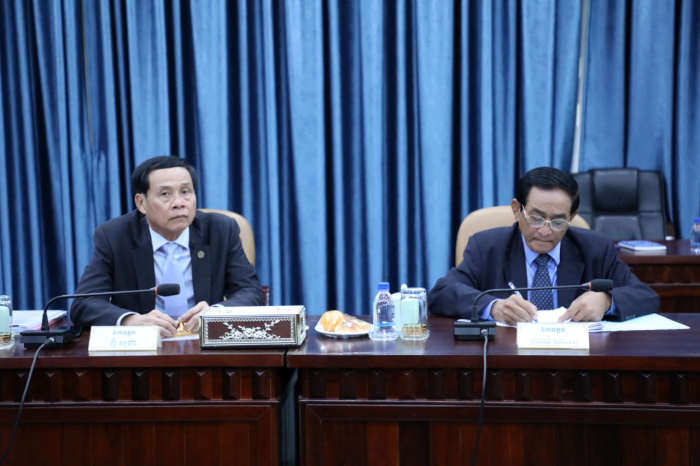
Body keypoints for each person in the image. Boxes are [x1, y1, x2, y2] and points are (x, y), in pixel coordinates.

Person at [428, 167, 659, 325]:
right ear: (517, 210)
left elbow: (647, 296)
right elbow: (441, 293)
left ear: (572, 216)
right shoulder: (487, 247)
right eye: (536, 219)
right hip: (508, 361)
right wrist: (494, 307)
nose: (546, 231)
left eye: (558, 221)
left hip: (577, 362)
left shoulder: (595, 249)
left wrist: (606, 301)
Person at [71, 156, 265, 336]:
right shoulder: (114, 236)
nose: (179, 203)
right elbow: (84, 303)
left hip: (204, 344)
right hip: (143, 349)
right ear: (141, 203)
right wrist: (132, 320)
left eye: (185, 192)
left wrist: (215, 314)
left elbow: (250, 292)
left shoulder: (221, 230)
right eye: (165, 194)